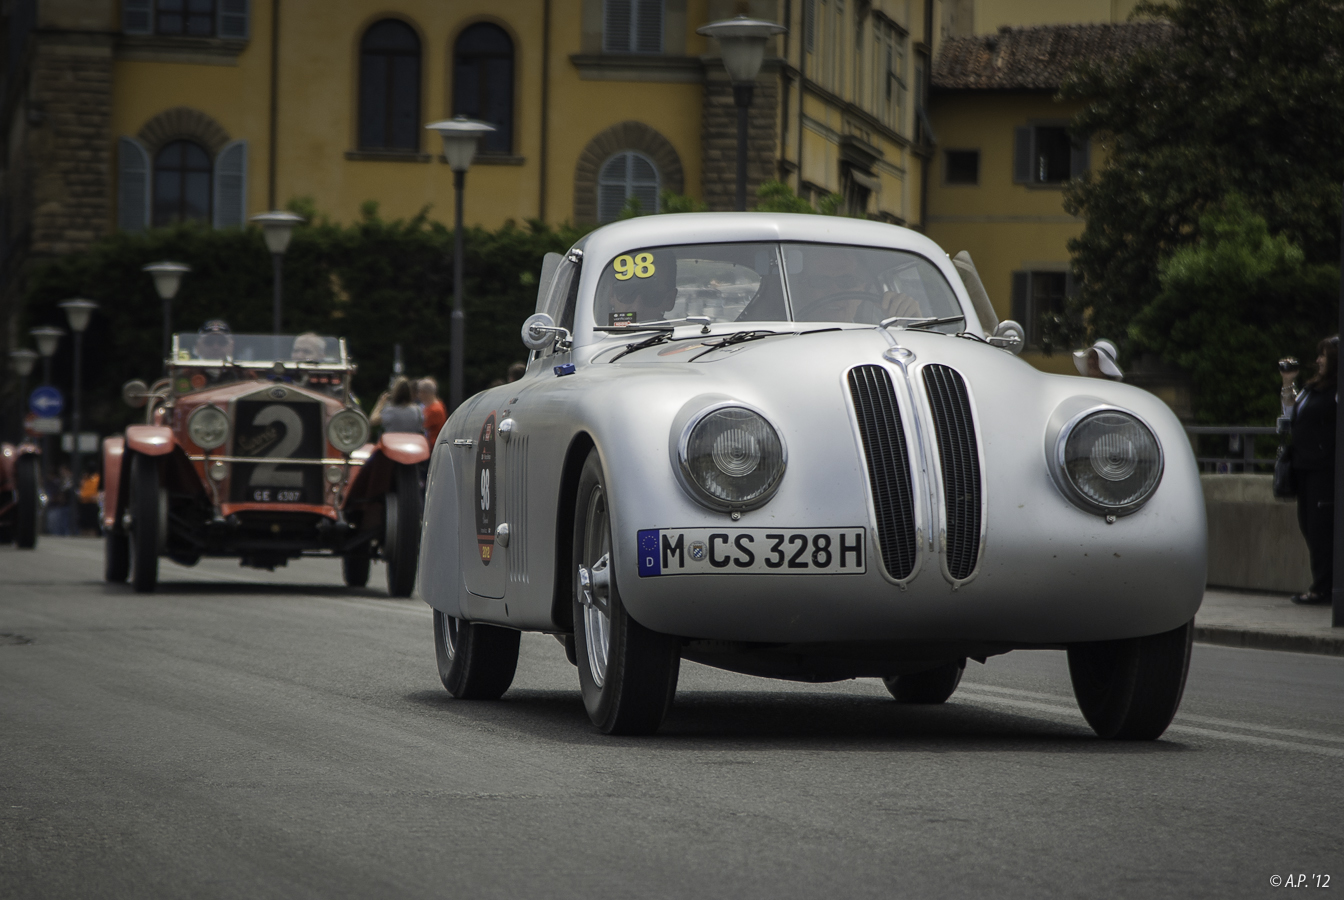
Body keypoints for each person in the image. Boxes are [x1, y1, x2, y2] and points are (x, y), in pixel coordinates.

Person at [1283, 336, 1337, 605]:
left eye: (1324, 356)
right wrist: (1287, 383)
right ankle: (1322, 584)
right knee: (1307, 525)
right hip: (1303, 466)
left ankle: (1323, 588)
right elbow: (1290, 415)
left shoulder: (1335, 392)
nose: (1318, 360)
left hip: (1324, 469)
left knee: (1321, 528)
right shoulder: (1311, 388)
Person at [790, 246, 921, 324]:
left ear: (861, 290)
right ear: (803, 289)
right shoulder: (786, 340)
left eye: (847, 281)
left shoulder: (879, 340)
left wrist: (914, 322)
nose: (834, 291)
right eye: (820, 281)